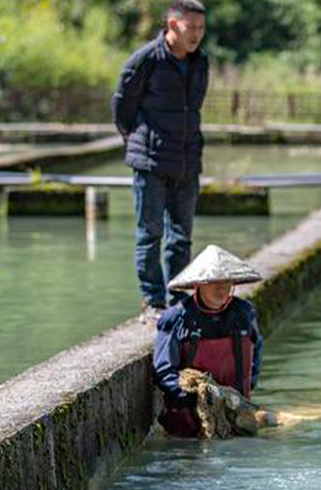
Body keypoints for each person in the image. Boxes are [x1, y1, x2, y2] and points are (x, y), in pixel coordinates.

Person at [111, 0, 210, 321]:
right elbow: (122, 104)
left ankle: (178, 298)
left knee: (181, 237)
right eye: (189, 28)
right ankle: (153, 301)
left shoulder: (200, 62)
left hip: (186, 160)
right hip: (151, 161)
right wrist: (136, 139)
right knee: (150, 233)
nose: (196, 35)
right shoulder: (146, 61)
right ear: (172, 26)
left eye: (200, 28)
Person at [153, 245, 264, 437]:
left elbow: (257, 353)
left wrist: (240, 395)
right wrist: (196, 400)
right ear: (198, 285)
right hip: (188, 424)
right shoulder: (176, 319)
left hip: (237, 416)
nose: (222, 289)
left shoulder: (244, 314)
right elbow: (164, 370)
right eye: (214, 282)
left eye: (227, 282)